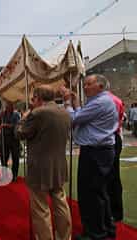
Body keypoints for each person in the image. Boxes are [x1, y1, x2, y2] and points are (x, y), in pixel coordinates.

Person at [63, 74, 118, 240]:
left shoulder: (100, 102)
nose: (85, 87)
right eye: (85, 84)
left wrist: (67, 102)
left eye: (88, 84)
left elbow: (73, 119)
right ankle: (106, 228)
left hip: (95, 152)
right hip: (99, 150)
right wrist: (77, 104)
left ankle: (95, 233)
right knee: (99, 192)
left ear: (100, 86)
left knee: (90, 194)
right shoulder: (101, 101)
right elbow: (81, 116)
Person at [17, 85, 72, 240]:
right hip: (59, 164)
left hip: (40, 167)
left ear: (39, 98)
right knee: (61, 203)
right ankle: (65, 236)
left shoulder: (37, 113)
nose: (32, 102)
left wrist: (24, 117)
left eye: (34, 99)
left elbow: (20, 133)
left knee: (41, 208)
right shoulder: (64, 112)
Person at [108, 91, 125, 222]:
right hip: (114, 137)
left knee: (112, 177)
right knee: (113, 176)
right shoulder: (115, 100)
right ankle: (114, 211)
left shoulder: (109, 101)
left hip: (111, 138)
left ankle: (114, 211)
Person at [0, 101, 20, 181]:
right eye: (7, 106)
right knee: (3, 157)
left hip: (14, 139)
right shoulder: (2, 114)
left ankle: (14, 175)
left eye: (10, 106)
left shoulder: (16, 114)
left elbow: (17, 125)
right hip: (4, 139)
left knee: (15, 157)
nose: (8, 107)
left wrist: (5, 125)